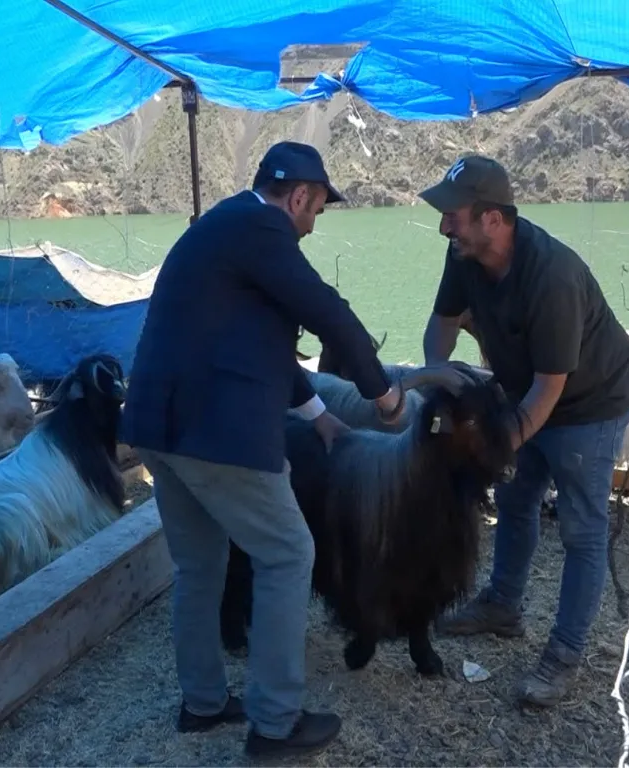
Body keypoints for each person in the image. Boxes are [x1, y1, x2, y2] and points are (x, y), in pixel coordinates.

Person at [120, 141, 409, 760]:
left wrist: (317, 415)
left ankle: (202, 703)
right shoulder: (262, 226)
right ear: (299, 196)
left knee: (200, 566)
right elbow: (328, 312)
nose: (310, 226)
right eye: (315, 212)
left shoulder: (223, 229)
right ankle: (275, 723)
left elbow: (255, 341)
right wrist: (385, 397)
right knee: (287, 553)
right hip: (214, 431)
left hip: (158, 427)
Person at [418, 154, 629, 707]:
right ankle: (503, 607)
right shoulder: (465, 255)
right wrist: (439, 381)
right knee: (516, 499)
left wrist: (495, 445)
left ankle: (564, 655)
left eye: (455, 215)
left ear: (494, 218)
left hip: (589, 404)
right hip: (527, 392)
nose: (445, 225)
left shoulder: (553, 276)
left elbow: (551, 388)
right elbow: (442, 325)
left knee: (581, 530)